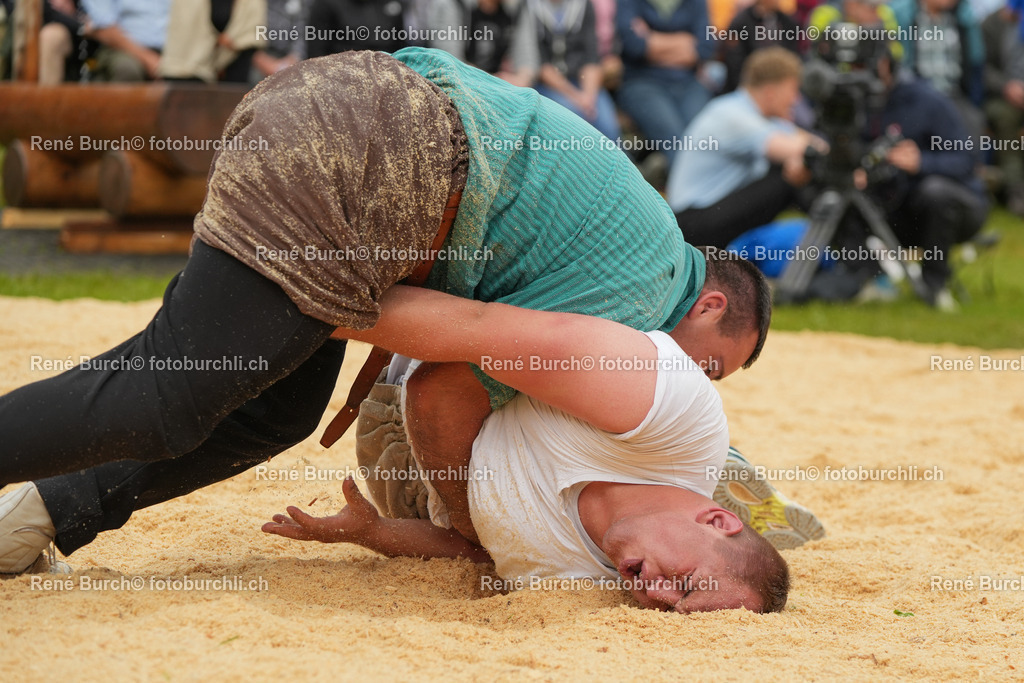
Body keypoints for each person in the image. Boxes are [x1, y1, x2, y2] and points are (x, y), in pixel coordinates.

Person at [0, 48, 771, 559]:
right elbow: (439, 393)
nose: (694, 377)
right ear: (706, 303)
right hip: (377, 149)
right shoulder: (636, 300)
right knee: (170, 389)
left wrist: (311, 311)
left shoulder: (641, 246)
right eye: (711, 364)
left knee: (271, 406)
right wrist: (471, 529)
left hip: (360, 124)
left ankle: (36, 514)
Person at [669, 47, 823, 249]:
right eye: (793, 91)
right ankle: (845, 249)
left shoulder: (763, 117)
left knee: (800, 166)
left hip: (709, 214)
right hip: (689, 227)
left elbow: (815, 146)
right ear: (770, 92)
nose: (796, 100)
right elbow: (802, 150)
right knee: (787, 175)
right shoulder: (731, 115)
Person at [616, 0, 714, 166]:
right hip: (642, 84)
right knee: (675, 139)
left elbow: (705, 48)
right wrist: (685, 42)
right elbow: (634, 46)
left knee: (704, 137)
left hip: (689, 83)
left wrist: (651, 40)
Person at [527, 0, 621, 140]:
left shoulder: (583, 5)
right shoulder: (529, 6)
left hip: (582, 81)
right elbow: (541, 65)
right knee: (573, 121)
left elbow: (591, 57)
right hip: (548, 85)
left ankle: (618, 161)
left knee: (608, 126)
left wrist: (588, 97)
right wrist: (576, 97)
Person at [430, 0, 540, 87]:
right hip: (458, 83)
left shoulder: (517, 6)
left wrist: (521, 79)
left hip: (495, 84)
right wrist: (493, 81)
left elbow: (527, 58)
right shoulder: (452, 4)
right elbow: (449, 60)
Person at [981, 2, 1024, 215]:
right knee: (1006, 119)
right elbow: (981, 68)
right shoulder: (992, 24)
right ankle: (1016, 191)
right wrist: (1006, 86)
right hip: (1001, 98)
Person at [80, 0, 171, 81]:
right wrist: (149, 60)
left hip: (172, 49)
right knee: (127, 69)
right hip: (121, 48)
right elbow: (104, 27)